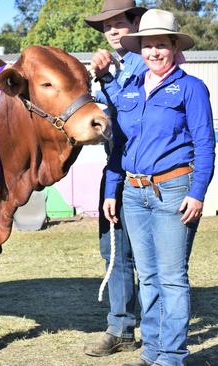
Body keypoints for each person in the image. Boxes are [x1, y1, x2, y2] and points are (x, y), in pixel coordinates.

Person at [103, 9, 216, 366]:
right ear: (140, 49)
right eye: (148, 45)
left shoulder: (191, 89)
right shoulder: (130, 90)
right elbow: (119, 143)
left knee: (171, 279)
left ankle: (171, 356)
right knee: (147, 277)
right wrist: (111, 189)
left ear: (173, 47)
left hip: (173, 192)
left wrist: (197, 192)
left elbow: (206, 145)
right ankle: (151, 350)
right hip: (133, 195)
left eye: (161, 45)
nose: (154, 52)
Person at [82, 0, 147, 357]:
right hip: (117, 169)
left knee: (145, 257)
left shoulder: (144, 63)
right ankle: (121, 327)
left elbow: (129, 112)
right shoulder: (112, 65)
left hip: (146, 173)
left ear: (136, 22)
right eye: (107, 26)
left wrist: (106, 77)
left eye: (120, 22)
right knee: (114, 250)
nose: (113, 31)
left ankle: (153, 331)